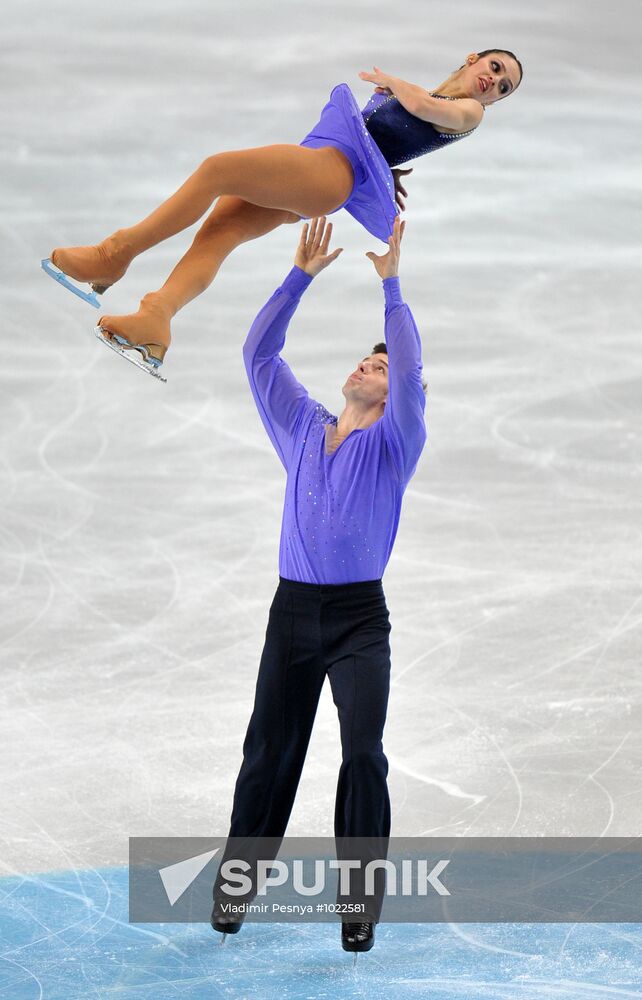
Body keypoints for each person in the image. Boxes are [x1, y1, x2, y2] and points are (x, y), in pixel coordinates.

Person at [209, 214, 426, 954]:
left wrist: (391, 286)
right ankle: (238, 887)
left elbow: (412, 369)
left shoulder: (396, 443)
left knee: (363, 752)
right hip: (294, 614)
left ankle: (358, 906)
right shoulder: (301, 427)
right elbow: (257, 352)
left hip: (361, 620)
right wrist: (298, 278)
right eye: (366, 360)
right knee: (270, 751)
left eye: (382, 366)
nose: (370, 366)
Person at [43, 50, 522, 377]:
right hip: (324, 164)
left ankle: (114, 254)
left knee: (217, 170)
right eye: (495, 67)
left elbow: (418, 106)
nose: (494, 81)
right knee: (220, 231)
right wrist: (388, 167)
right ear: (472, 58)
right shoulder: (443, 100)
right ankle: (156, 319)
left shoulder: (469, 113)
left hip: (332, 170)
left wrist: (393, 83)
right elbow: (402, 127)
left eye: (503, 87)